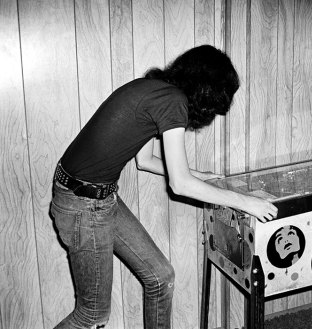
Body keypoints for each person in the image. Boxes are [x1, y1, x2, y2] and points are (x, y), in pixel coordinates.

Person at [50, 45, 278, 329]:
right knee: (92, 314)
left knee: (160, 278)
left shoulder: (155, 89)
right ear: (207, 90)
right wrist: (243, 202)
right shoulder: (172, 101)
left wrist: (200, 175)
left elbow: (145, 161)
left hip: (97, 197)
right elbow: (180, 184)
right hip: (84, 204)